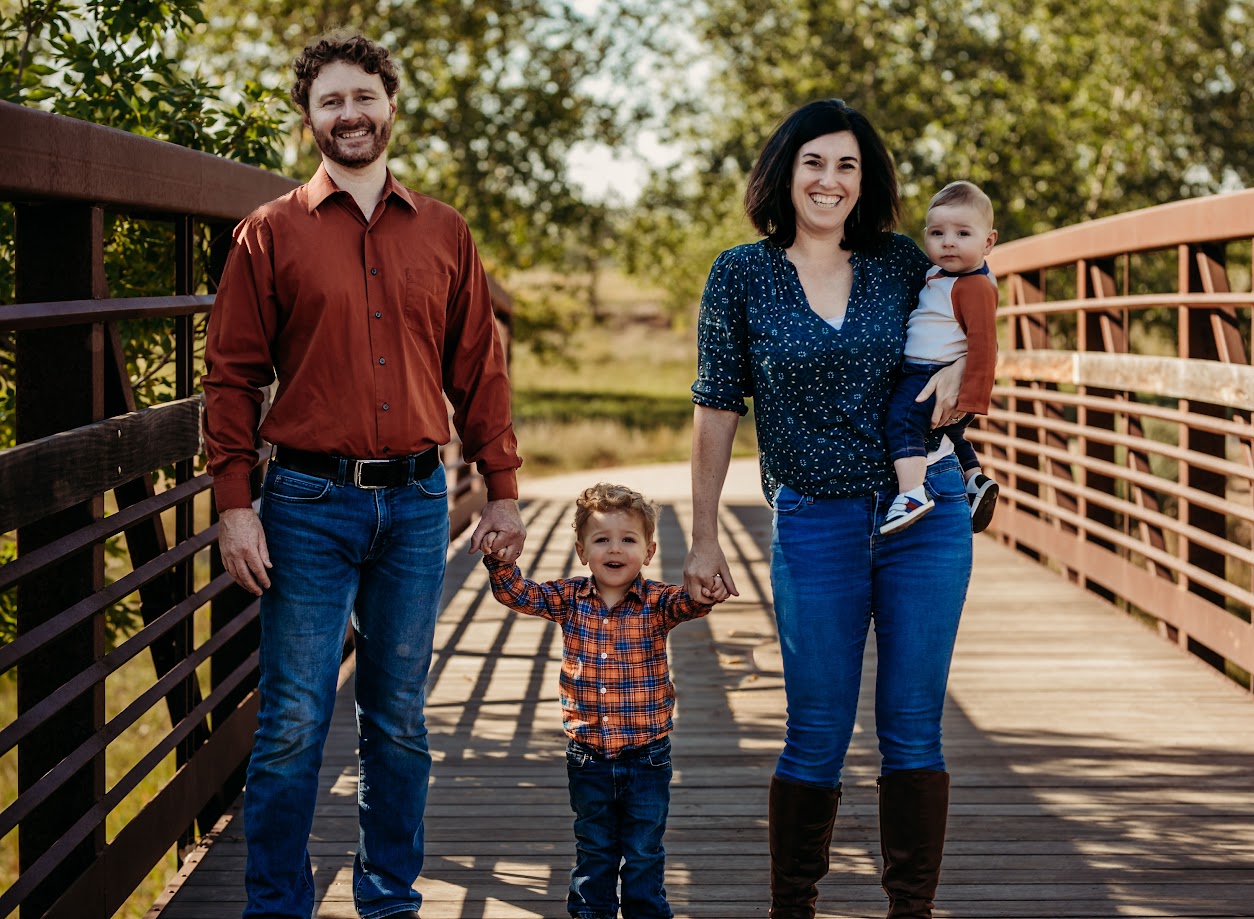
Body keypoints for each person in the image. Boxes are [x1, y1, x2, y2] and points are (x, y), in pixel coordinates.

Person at [203, 32, 525, 919]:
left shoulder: (446, 232)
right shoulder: (269, 234)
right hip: (305, 502)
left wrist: (500, 488)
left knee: (399, 721)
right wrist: (236, 507)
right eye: (331, 101)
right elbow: (231, 376)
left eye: (364, 97)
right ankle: (277, 906)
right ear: (308, 118)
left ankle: (388, 899)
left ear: (391, 104)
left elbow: (479, 369)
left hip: (420, 503)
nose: (350, 115)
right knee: (293, 725)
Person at [684, 99, 973, 919]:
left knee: (914, 726)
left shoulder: (899, 262)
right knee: (814, 728)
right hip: (814, 520)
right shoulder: (740, 273)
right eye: (815, 162)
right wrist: (704, 539)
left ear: (864, 179)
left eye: (847, 165)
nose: (830, 180)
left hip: (925, 512)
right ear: (785, 171)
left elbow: (976, 313)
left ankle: (909, 910)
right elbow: (714, 406)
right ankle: (793, 907)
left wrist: (967, 376)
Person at [482, 483, 717, 919]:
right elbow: (519, 595)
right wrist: (500, 562)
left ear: (647, 552)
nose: (615, 548)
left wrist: (708, 588)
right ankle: (592, 913)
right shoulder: (569, 598)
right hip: (587, 756)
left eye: (628, 540)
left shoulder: (657, 602)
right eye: (601, 539)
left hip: (647, 757)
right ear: (581, 550)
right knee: (595, 847)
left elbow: (691, 604)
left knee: (644, 849)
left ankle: (647, 913)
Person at [880, 180, 1000, 536]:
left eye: (963, 233)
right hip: (927, 369)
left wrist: (971, 399)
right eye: (937, 233)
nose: (948, 242)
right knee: (953, 437)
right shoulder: (939, 274)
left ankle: (911, 494)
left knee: (901, 422)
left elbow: (984, 343)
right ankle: (974, 480)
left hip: (928, 373)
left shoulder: (974, 285)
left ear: (988, 242)